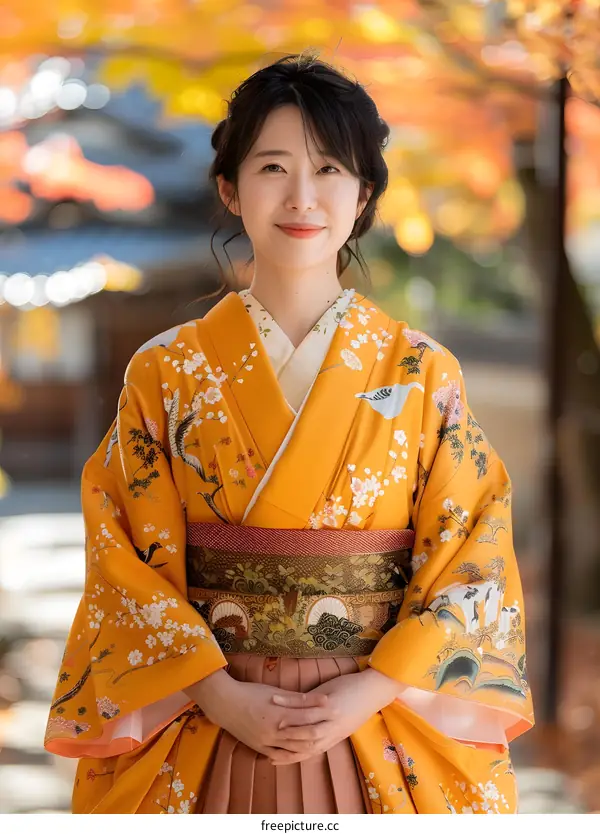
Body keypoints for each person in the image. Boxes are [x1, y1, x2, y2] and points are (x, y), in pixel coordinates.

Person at [45, 54, 534, 814]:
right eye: (273, 166)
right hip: (207, 710)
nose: (302, 196)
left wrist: (370, 689)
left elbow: (475, 550)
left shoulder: (424, 374)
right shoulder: (165, 371)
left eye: (331, 168)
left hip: (376, 715)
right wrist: (215, 692)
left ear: (364, 193)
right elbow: (121, 554)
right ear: (230, 189)